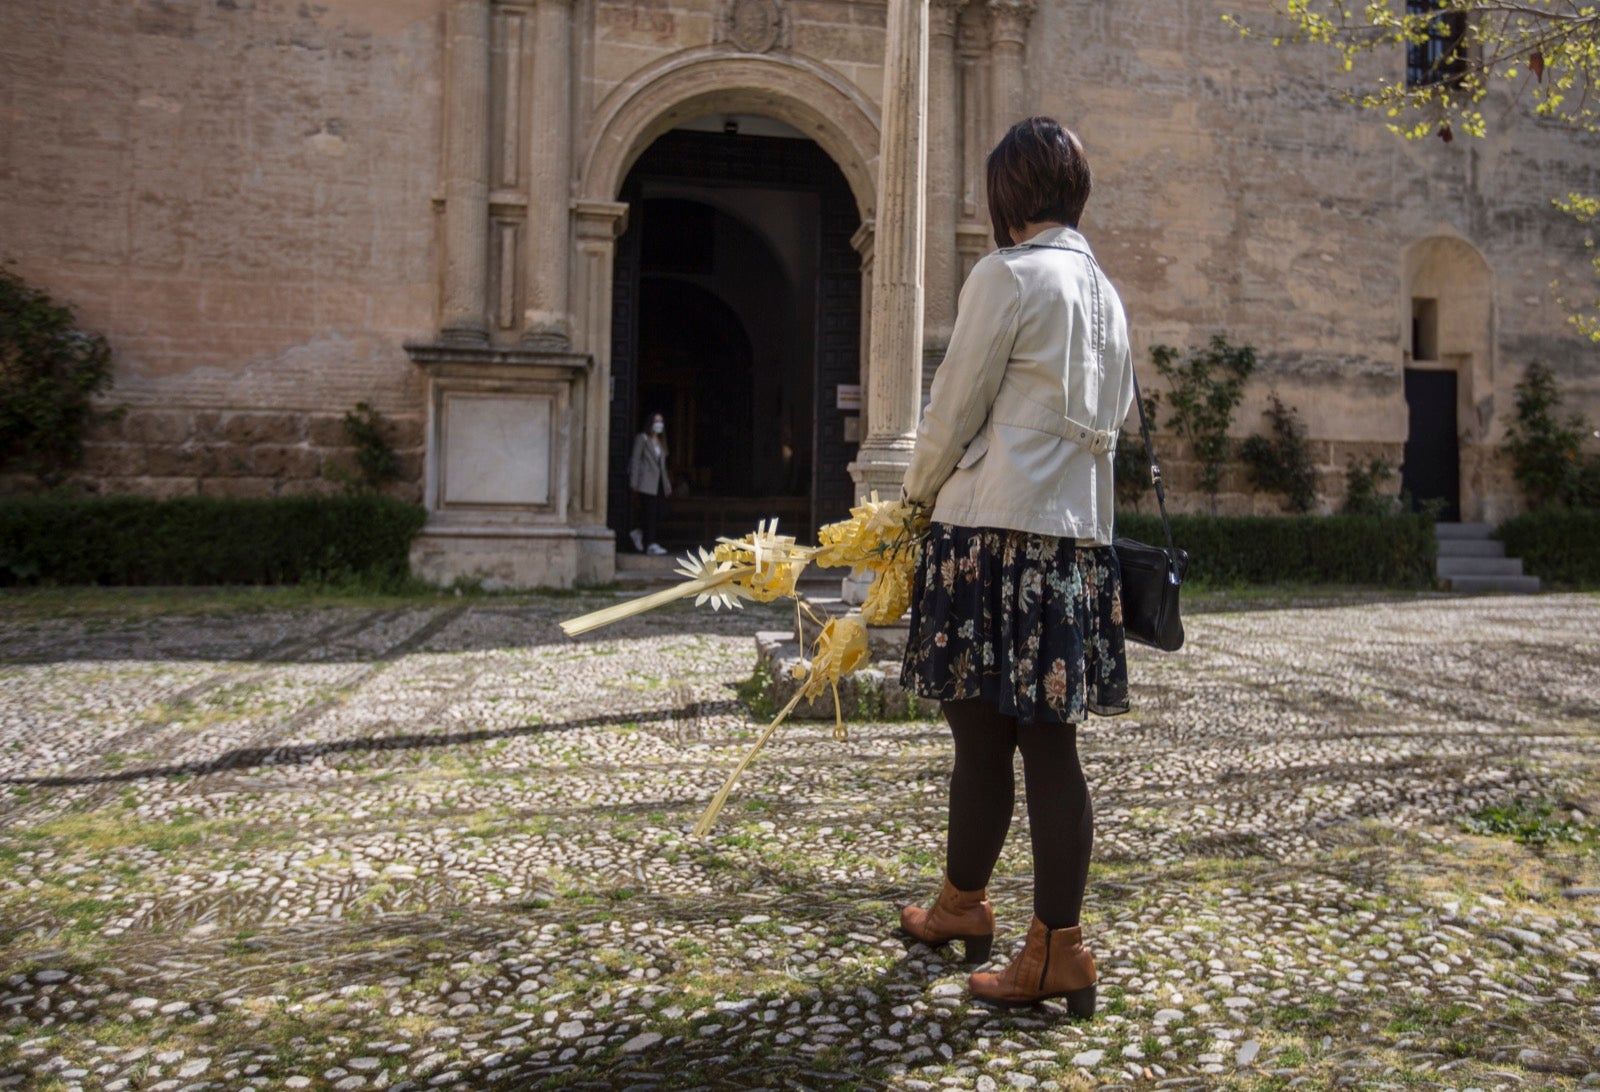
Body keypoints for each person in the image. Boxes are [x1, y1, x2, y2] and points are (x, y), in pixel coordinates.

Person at [896, 117, 1133, 1015]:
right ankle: (990, 918)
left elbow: (955, 406)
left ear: (1007, 195)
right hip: (1073, 545)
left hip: (990, 535)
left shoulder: (1007, 276)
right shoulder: (1109, 296)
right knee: (1048, 746)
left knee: (982, 742)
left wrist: (910, 501)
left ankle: (1026, 938)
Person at [628, 411, 672, 555]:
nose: (659, 424)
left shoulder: (661, 442)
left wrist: (667, 485)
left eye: (661, 421)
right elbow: (635, 460)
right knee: (650, 513)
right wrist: (634, 482)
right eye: (656, 421)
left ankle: (639, 532)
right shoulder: (642, 439)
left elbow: (662, 466)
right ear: (650, 423)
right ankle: (650, 544)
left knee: (661, 511)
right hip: (645, 482)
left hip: (658, 483)